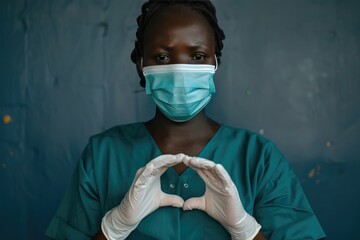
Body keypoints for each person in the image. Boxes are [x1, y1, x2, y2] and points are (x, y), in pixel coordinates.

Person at [46, 0, 326, 239]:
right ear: (140, 65)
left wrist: (246, 230)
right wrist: (113, 227)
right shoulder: (103, 155)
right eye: (163, 56)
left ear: (215, 62)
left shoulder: (259, 159)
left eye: (197, 55)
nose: (180, 69)